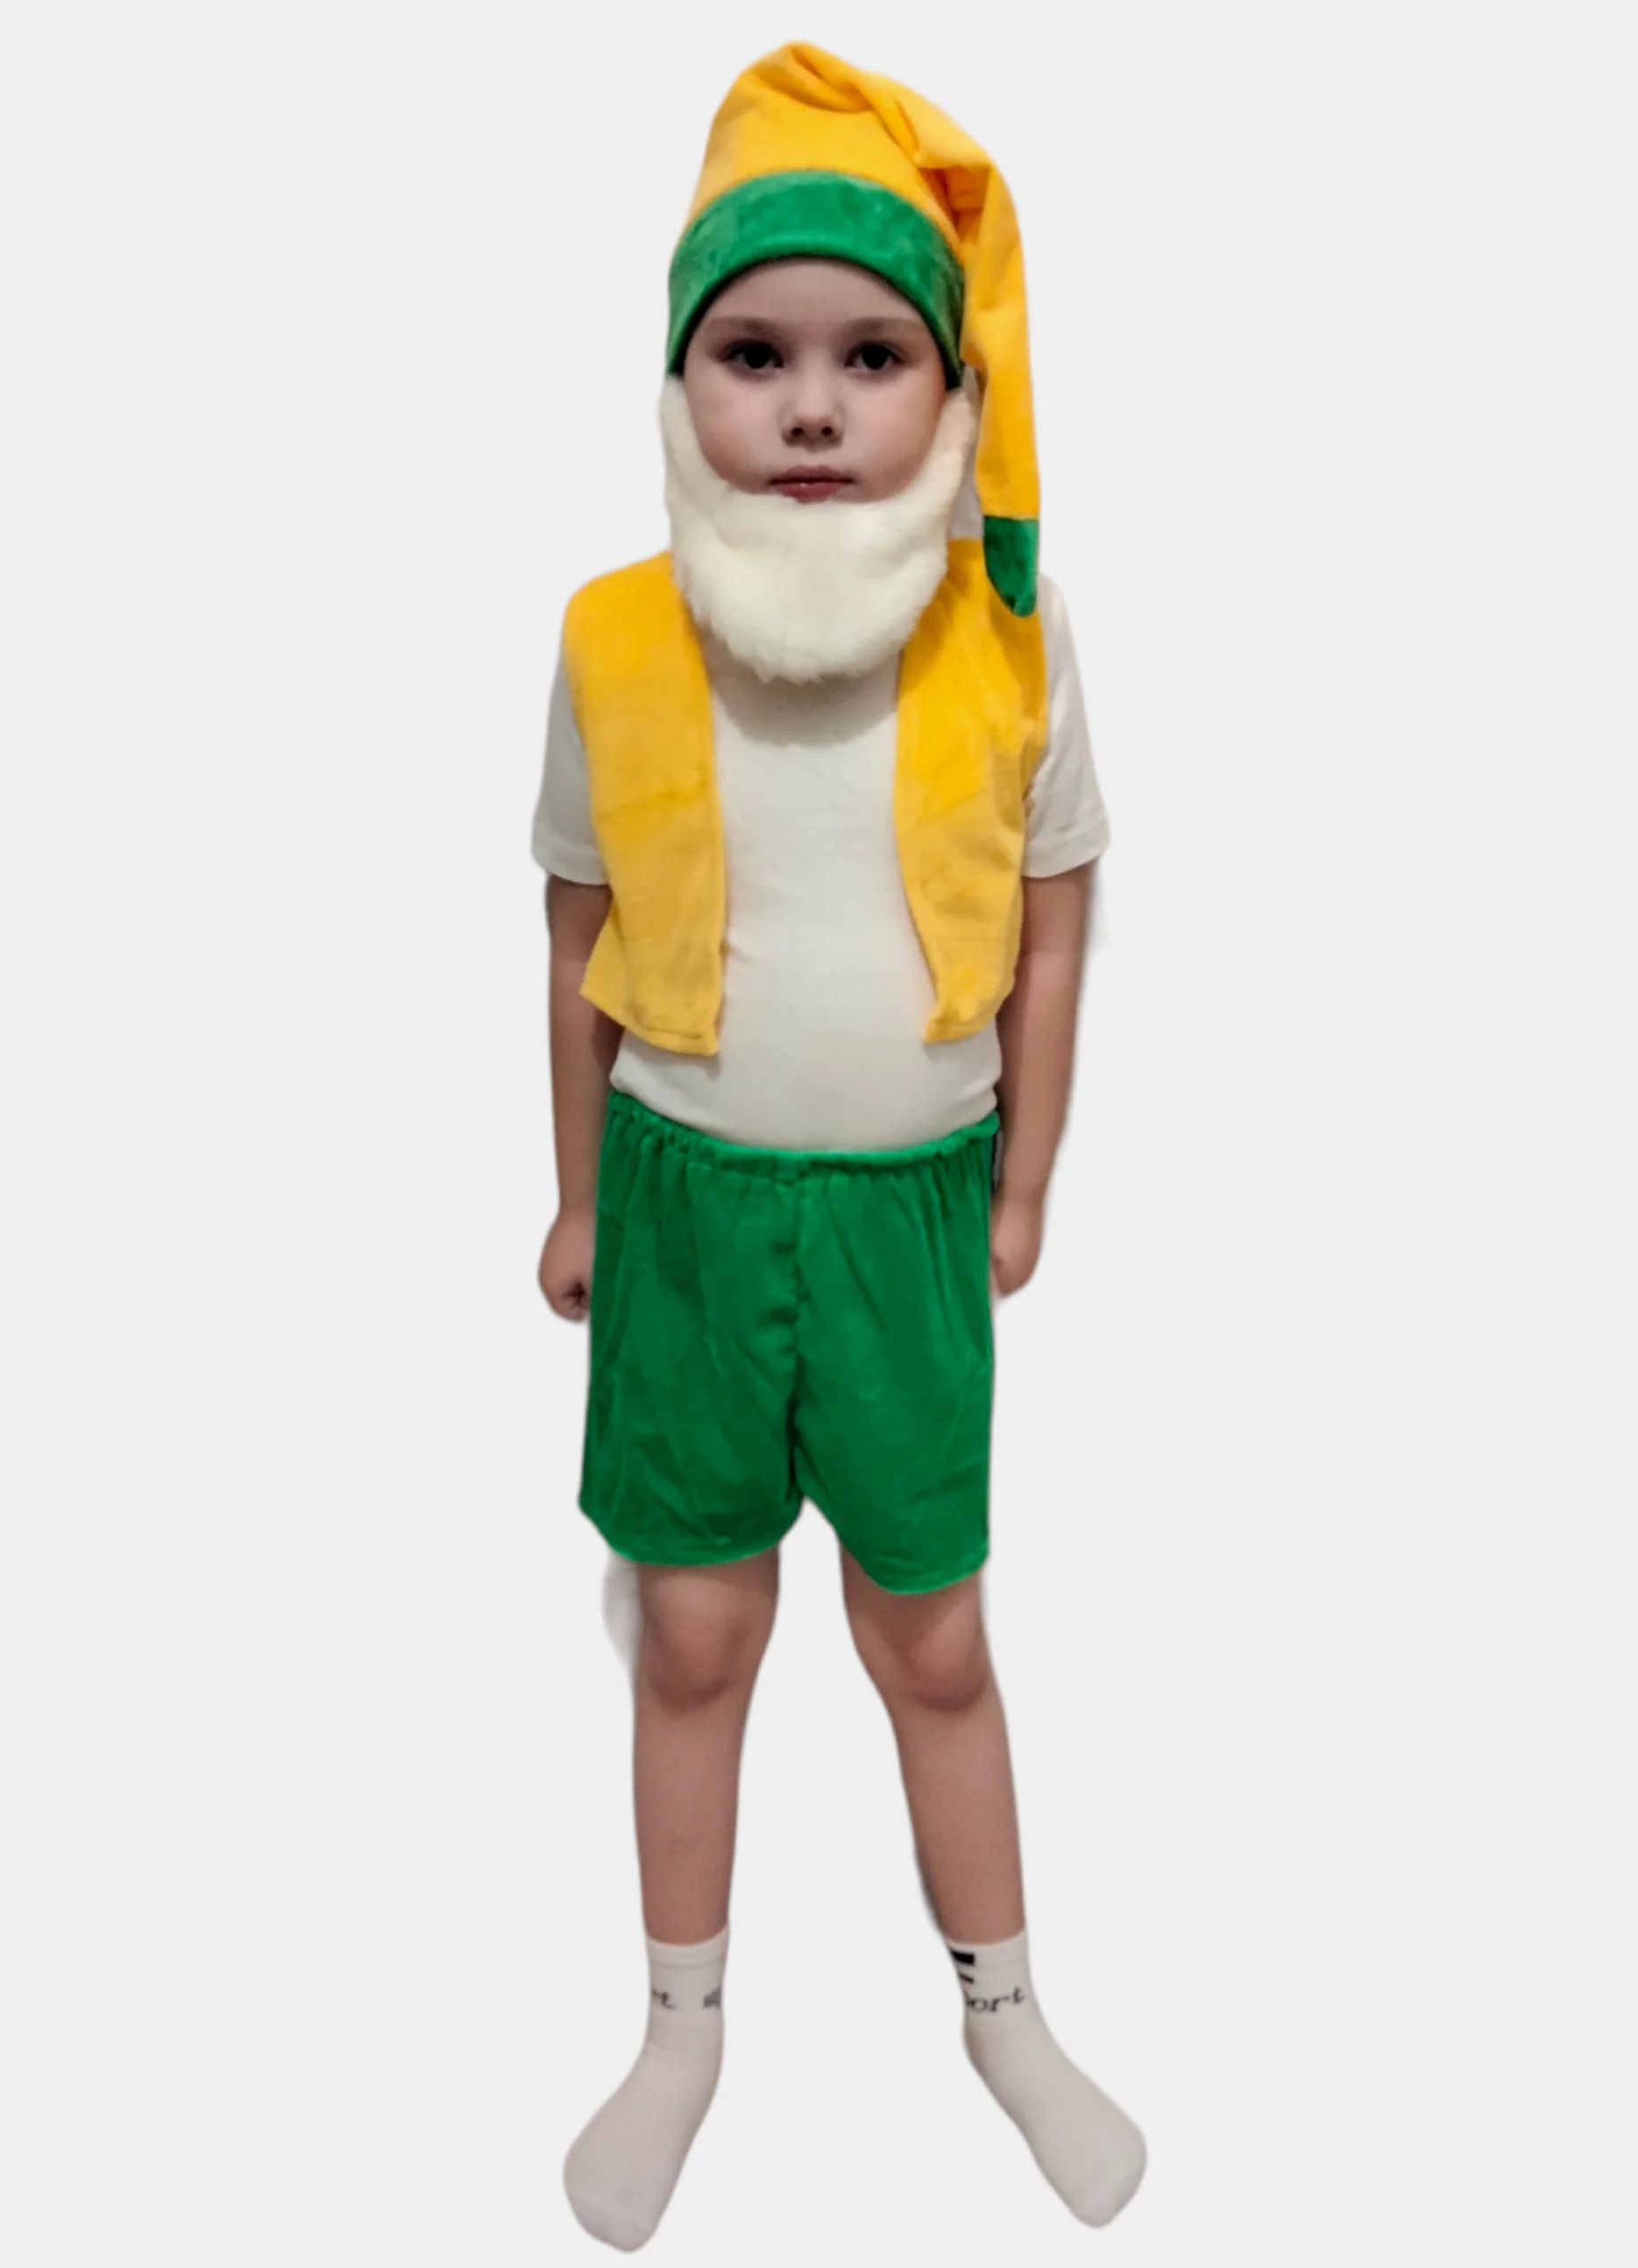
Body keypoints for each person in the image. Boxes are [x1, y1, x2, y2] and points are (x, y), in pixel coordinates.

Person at [530, 42, 1147, 2251]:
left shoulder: (1007, 643)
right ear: (681, 376)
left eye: (872, 356)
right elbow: (577, 926)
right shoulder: (617, 638)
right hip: (688, 1212)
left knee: (934, 1636)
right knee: (697, 1633)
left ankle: (1005, 2008)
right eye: (755, 353)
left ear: (955, 386)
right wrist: (581, 1190)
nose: (811, 406)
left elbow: (1056, 916)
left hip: (905, 1221)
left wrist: (1029, 1170)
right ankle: (679, 2028)